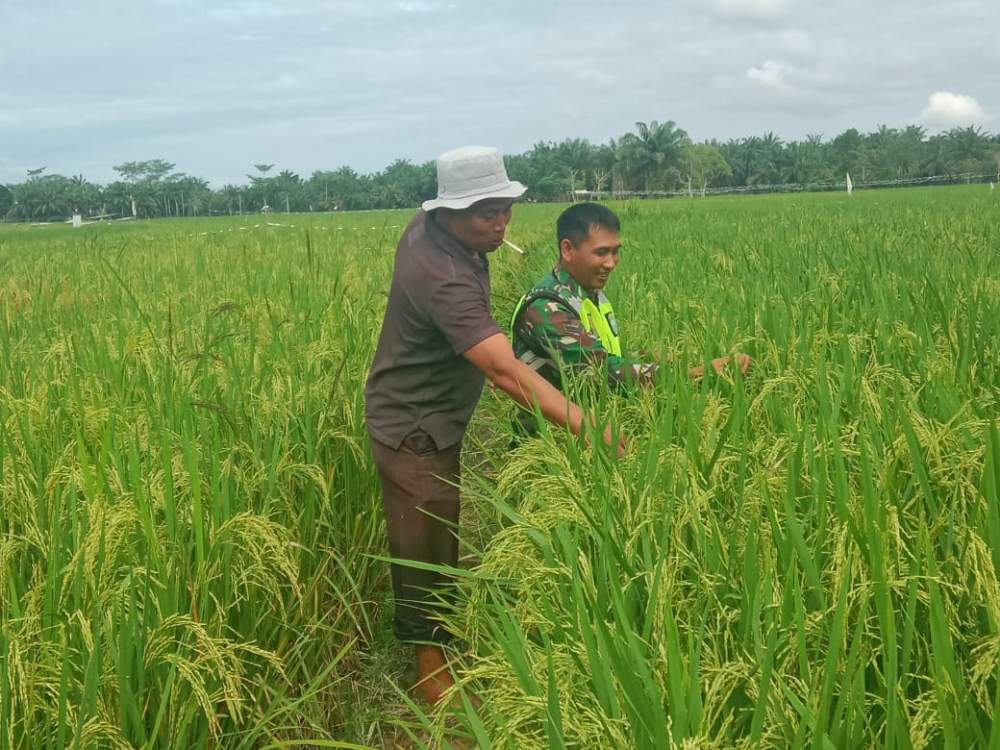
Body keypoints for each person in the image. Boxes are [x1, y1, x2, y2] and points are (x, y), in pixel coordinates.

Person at [364, 147, 621, 705]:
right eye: (487, 213)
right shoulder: (444, 277)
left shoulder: (434, 228)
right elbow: (505, 371)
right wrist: (590, 427)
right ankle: (430, 673)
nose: (502, 223)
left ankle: (443, 639)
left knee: (444, 529)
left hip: (435, 415)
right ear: (450, 211)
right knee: (422, 546)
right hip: (413, 425)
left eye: (505, 208)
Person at [511, 202, 750, 432]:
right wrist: (698, 372)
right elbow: (603, 371)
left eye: (616, 252)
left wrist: (671, 357)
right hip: (553, 439)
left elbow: (609, 352)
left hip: (592, 427)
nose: (611, 263)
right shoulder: (547, 308)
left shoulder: (590, 294)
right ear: (568, 249)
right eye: (601, 252)